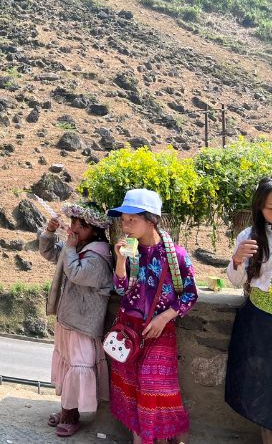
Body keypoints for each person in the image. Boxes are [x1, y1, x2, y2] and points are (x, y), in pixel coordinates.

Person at [108, 189, 198, 444]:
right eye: (123, 220)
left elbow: (190, 294)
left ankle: (167, 437)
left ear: (151, 221)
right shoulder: (130, 252)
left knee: (153, 387)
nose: (125, 226)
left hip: (160, 332)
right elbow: (121, 289)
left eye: (132, 220)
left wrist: (164, 318)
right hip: (128, 331)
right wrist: (120, 261)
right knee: (131, 387)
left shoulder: (176, 256)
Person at [39, 202, 113, 438]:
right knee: (69, 365)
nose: (74, 228)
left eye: (81, 225)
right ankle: (66, 409)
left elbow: (77, 274)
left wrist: (70, 248)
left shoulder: (99, 256)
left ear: (95, 230)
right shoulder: (79, 247)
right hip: (69, 319)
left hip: (83, 324)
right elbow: (50, 253)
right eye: (73, 222)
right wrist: (49, 232)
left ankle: (71, 415)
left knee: (79, 366)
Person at [225, 177, 272, 443]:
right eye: (270, 208)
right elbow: (235, 281)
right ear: (259, 207)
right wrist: (237, 259)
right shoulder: (249, 236)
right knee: (263, 391)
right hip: (259, 322)